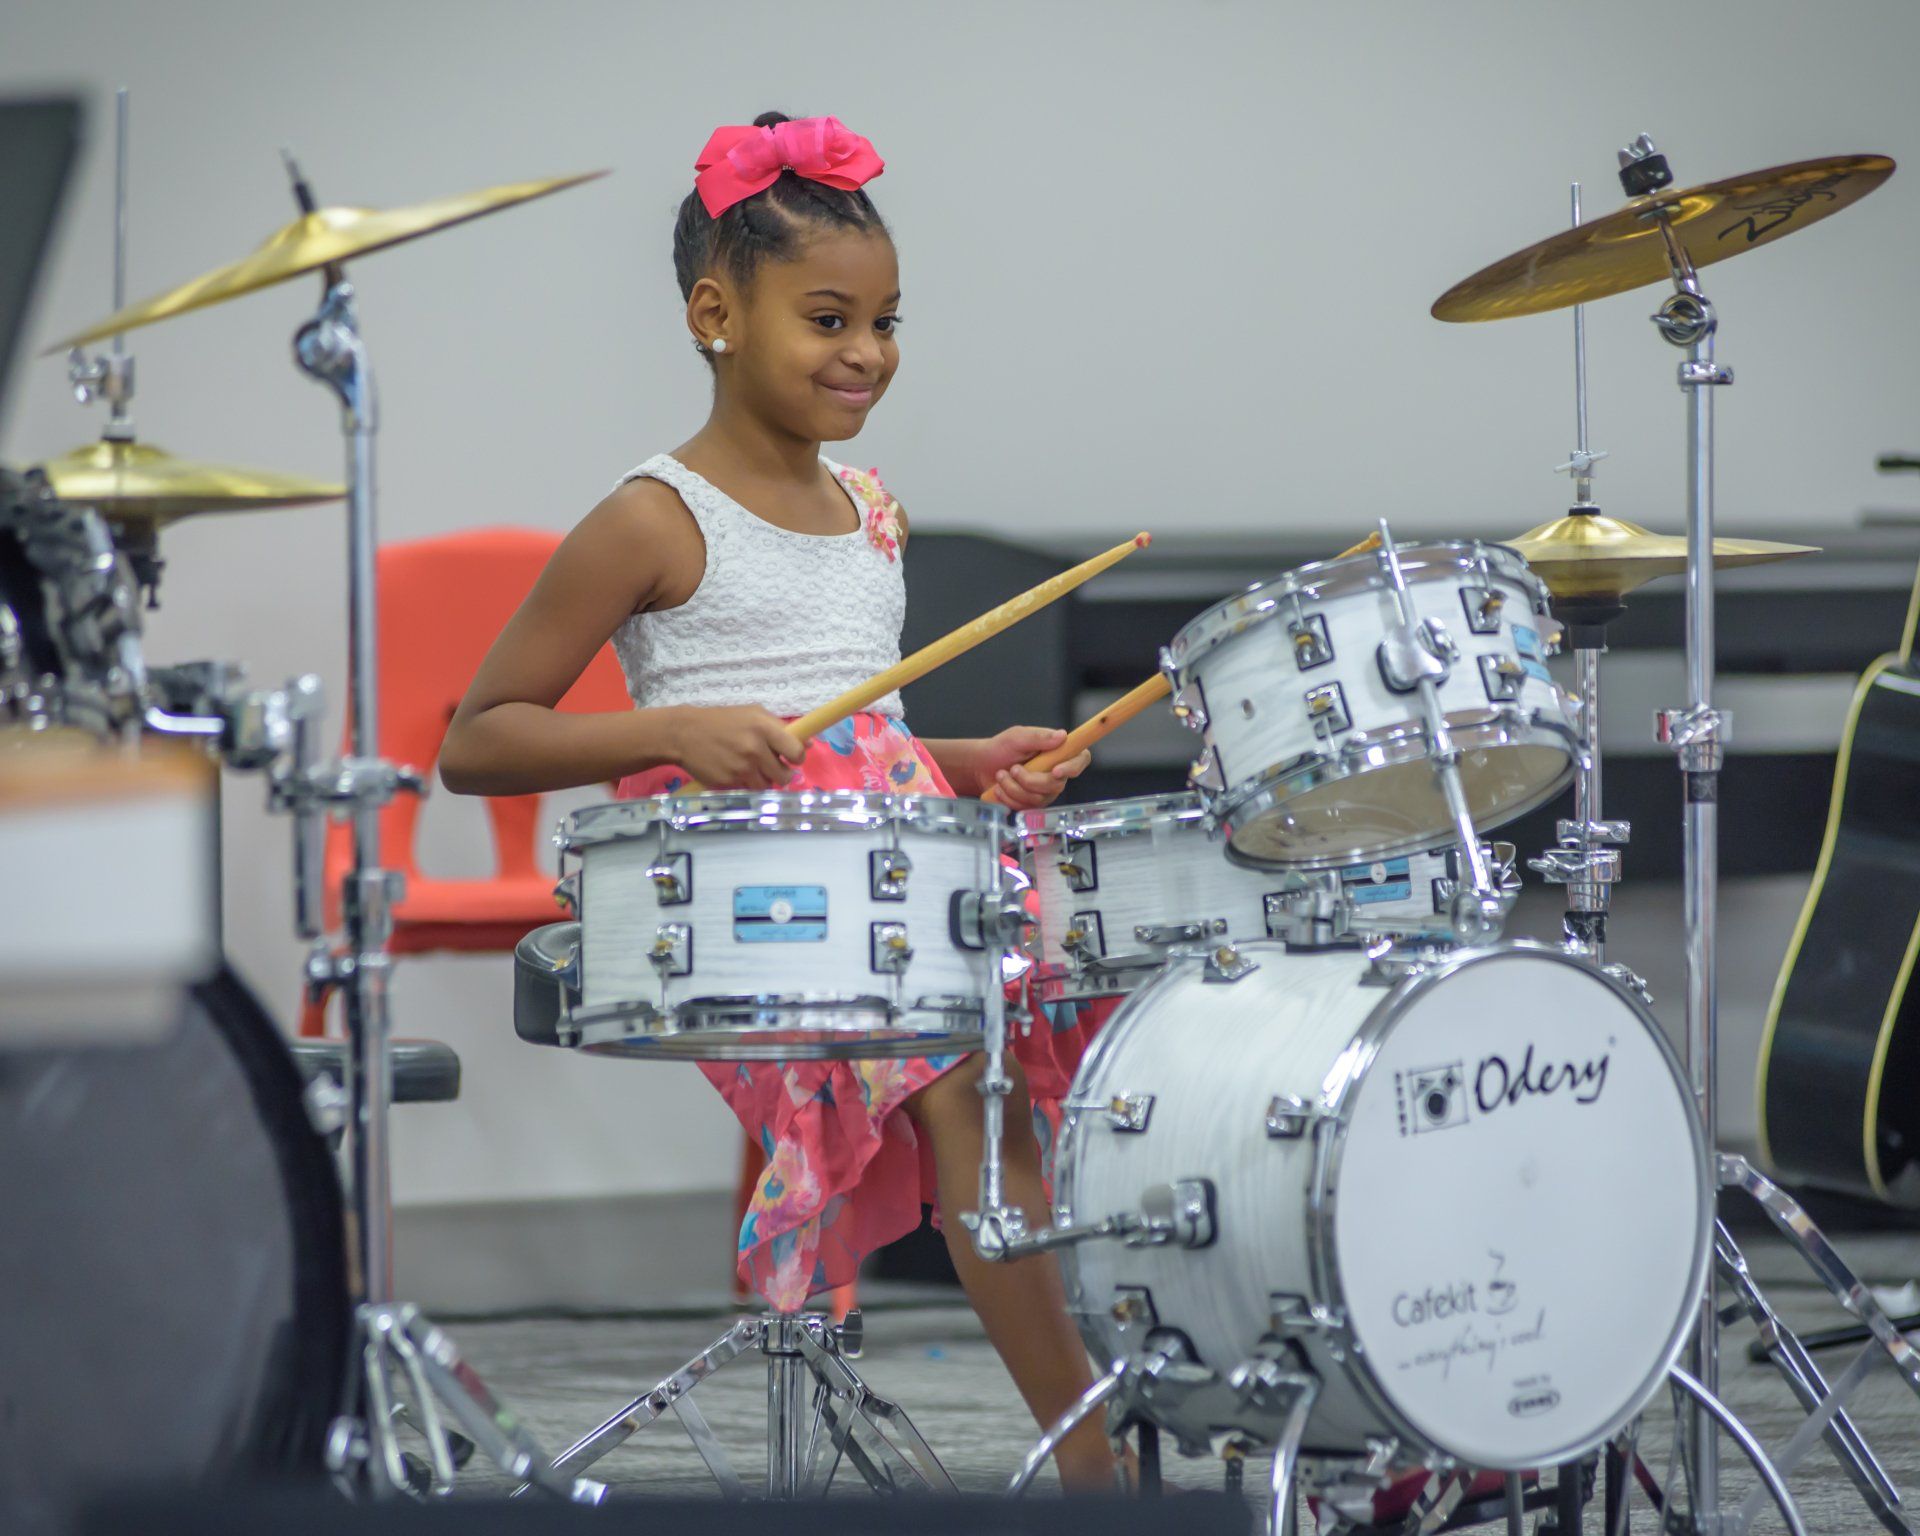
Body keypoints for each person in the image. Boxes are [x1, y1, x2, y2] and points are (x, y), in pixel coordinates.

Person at [439, 112, 1124, 1489]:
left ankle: (966, 1425)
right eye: (827, 317)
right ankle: (1102, 1473)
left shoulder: (872, 510)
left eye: (884, 321)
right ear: (716, 313)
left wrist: (974, 760)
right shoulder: (653, 516)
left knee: (1009, 1100)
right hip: (742, 897)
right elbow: (479, 740)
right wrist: (670, 730)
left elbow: (861, 730)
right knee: (965, 1105)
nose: (865, 352)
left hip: (888, 865)